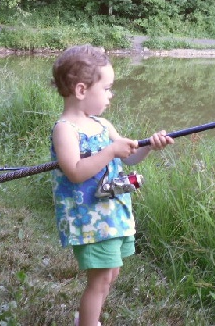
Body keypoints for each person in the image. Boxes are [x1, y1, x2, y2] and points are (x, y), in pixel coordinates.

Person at [50, 44, 174, 326]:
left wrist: (149, 147)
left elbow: (127, 158)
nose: (110, 95)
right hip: (89, 220)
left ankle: (86, 319)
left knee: (111, 272)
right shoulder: (65, 129)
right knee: (101, 277)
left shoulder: (103, 124)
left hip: (113, 214)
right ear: (82, 90)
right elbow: (75, 172)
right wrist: (109, 152)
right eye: (106, 88)